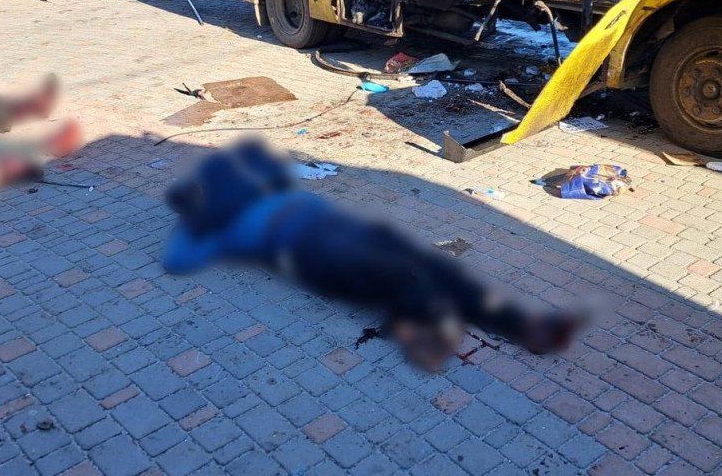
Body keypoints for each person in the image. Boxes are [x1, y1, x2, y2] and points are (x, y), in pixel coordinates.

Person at [163, 140, 585, 370]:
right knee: (394, 273)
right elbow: (177, 261)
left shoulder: (253, 192)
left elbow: (266, 163)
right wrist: (197, 224)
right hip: (305, 250)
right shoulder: (219, 228)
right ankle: (420, 318)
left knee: (433, 267)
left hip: (340, 227)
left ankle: (524, 327)